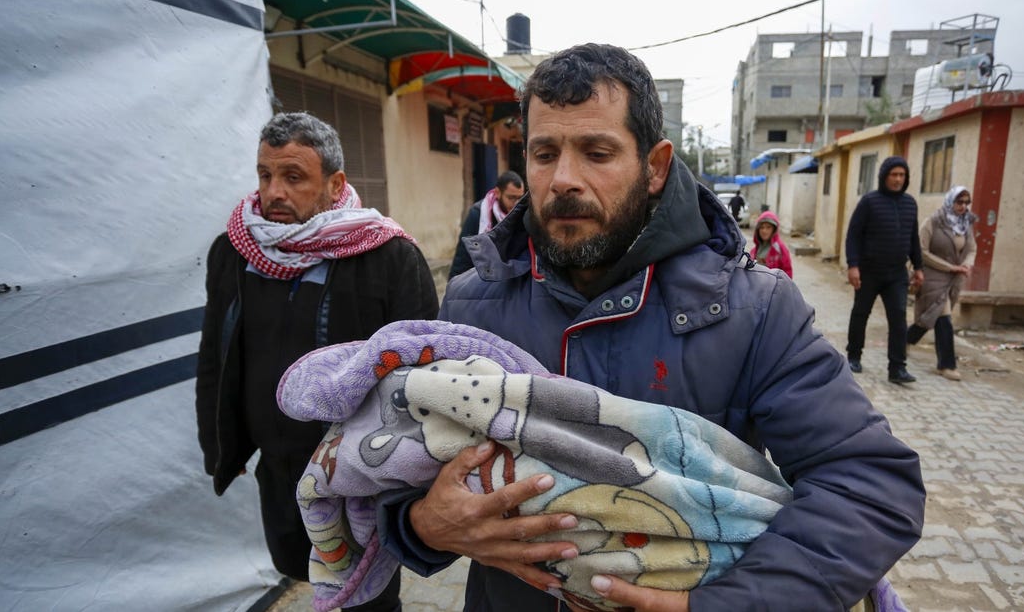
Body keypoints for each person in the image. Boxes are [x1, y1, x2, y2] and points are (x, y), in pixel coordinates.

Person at [381, 43, 924, 612]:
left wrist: (717, 607)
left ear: (656, 167)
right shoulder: (471, 305)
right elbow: (396, 464)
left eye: (597, 153)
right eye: (545, 153)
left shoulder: (754, 309)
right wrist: (421, 524)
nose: (563, 179)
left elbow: (870, 486)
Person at [195, 111, 438, 611]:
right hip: (277, 470)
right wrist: (219, 445)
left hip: (359, 476)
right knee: (299, 568)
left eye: (293, 177)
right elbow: (216, 355)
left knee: (367, 595)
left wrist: (416, 476)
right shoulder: (234, 252)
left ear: (335, 184)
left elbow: (423, 380)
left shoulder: (389, 257)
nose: (274, 192)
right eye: (265, 175)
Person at [844, 156, 924, 384]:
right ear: (884, 177)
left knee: (898, 318)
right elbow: (853, 235)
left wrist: (919, 267)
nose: (898, 179)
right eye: (894, 175)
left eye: (902, 175)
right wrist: (853, 265)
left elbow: (913, 238)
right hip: (869, 271)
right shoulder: (869, 202)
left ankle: (897, 368)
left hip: (897, 273)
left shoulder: (910, 204)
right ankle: (854, 356)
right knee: (861, 313)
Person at [907, 185, 977, 381]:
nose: (963, 206)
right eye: (959, 202)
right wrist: (949, 267)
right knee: (944, 317)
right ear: (950, 201)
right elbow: (921, 251)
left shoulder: (966, 224)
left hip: (954, 279)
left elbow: (972, 248)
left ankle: (904, 339)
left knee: (931, 315)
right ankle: (947, 365)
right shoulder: (933, 222)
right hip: (932, 276)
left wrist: (966, 265)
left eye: (966, 203)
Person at [448, 170, 525, 279]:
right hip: (480, 279)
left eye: (520, 198)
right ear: (498, 193)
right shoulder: (478, 214)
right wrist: (455, 284)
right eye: (511, 198)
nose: (516, 203)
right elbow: (463, 257)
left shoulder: (523, 216)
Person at [749, 210, 794, 278]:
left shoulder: (780, 249)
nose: (764, 231)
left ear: (774, 229)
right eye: (762, 227)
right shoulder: (754, 250)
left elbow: (787, 272)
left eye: (768, 227)